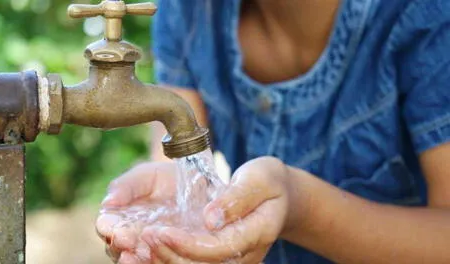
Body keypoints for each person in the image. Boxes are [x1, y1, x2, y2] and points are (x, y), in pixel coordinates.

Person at [97, 0, 450, 263]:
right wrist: (168, 222)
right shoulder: (187, 10)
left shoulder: (426, 18)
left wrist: (301, 208)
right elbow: (179, 145)